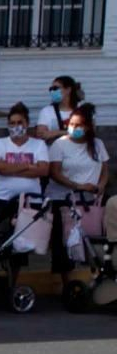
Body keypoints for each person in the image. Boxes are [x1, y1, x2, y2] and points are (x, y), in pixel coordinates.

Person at [0, 103, 51, 277]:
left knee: (21, 244)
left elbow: (43, 170)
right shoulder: (0, 143)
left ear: (27, 124)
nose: (15, 127)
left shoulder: (38, 145)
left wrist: (10, 167)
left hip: (28, 202)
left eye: (19, 122)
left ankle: (13, 279)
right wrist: (29, 166)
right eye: (11, 123)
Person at [47, 103, 109, 283]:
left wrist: (101, 185)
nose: (74, 128)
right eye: (71, 124)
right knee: (63, 241)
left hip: (91, 201)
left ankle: (98, 276)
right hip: (64, 199)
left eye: (79, 125)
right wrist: (78, 186)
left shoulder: (98, 144)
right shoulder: (60, 144)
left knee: (95, 238)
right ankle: (67, 282)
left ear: (88, 127)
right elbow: (55, 173)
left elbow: (105, 169)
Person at [36, 76, 83, 144]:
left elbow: (87, 132)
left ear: (68, 90)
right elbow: (41, 134)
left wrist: (56, 133)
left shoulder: (82, 109)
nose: (52, 91)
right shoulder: (46, 111)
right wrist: (72, 133)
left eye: (55, 88)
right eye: (51, 89)